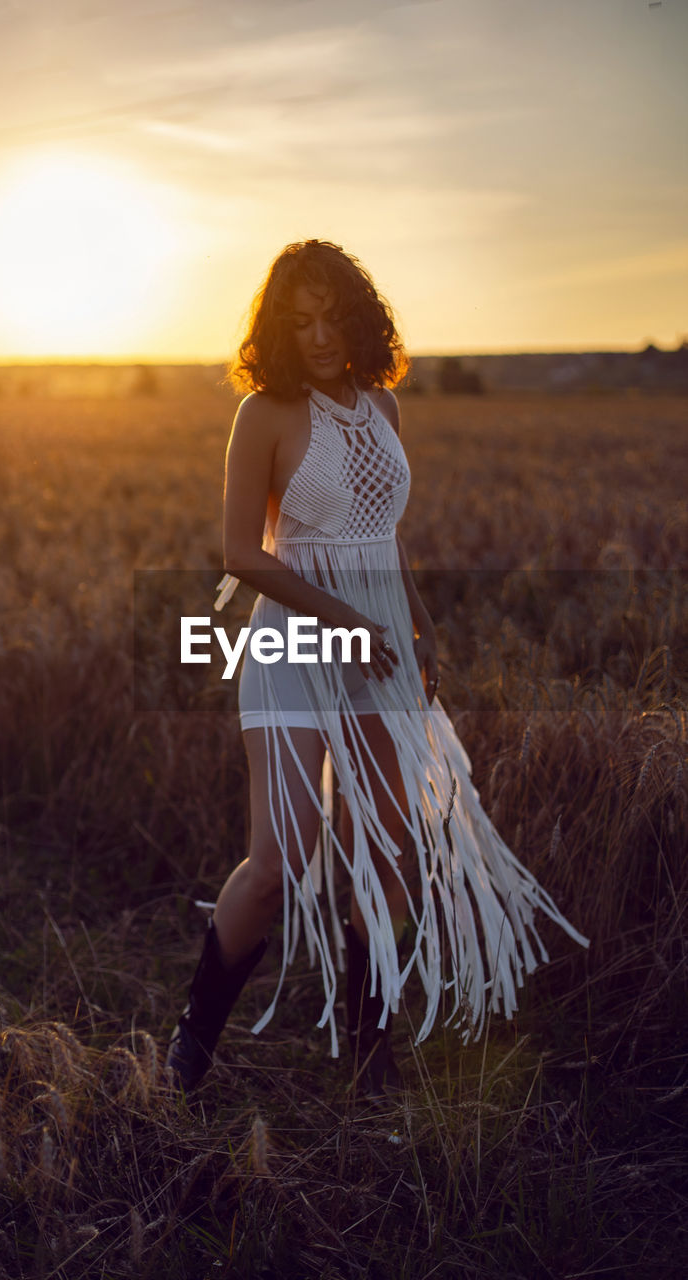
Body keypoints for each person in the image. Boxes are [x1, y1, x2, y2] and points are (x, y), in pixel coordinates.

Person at [165, 240, 587, 1099]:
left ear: (357, 315)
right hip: (292, 646)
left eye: (330, 316)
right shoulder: (265, 415)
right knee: (278, 861)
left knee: (385, 854)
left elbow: (382, 532)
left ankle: (368, 1052)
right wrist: (346, 621)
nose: (319, 335)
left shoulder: (383, 408)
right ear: (278, 330)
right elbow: (240, 553)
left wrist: (414, 624)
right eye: (299, 320)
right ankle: (188, 1048)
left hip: (380, 652)